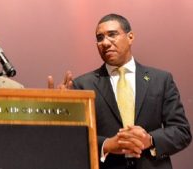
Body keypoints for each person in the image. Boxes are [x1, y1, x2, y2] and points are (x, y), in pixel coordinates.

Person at [48, 13, 191, 169]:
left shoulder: (161, 80)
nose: (105, 43)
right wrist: (107, 144)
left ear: (130, 37)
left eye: (112, 35)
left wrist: (149, 140)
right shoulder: (82, 85)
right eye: (100, 38)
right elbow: (72, 139)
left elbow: (181, 131)